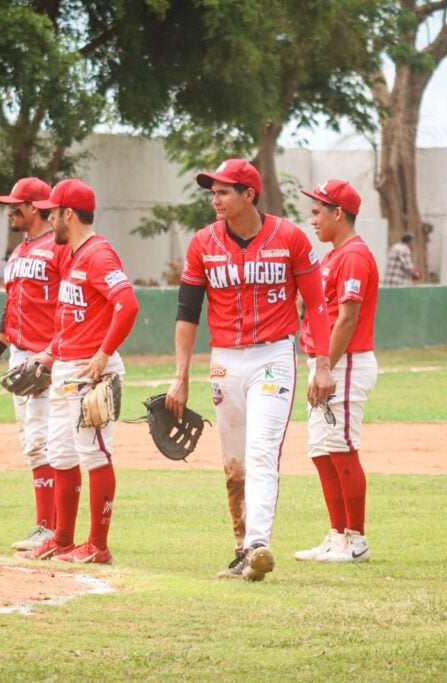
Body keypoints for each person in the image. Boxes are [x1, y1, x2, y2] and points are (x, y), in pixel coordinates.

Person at [165, 159, 335, 582]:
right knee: (233, 460)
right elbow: (187, 312)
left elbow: (316, 303)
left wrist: (323, 364)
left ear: (249, 195)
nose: (215, 199)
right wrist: (180, 376)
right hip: (224, 359)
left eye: (223, 191)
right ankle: (241, 549)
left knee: (261, 450)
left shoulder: (290, 238)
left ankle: (259, 543)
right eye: (213, 191)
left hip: (273, 356)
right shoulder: (202, 243)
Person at [16, 178, 139, 565]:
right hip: (66, 368)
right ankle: (63, 539)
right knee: (61, 454)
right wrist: (50, 354)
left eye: (52, 212)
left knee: (94, 454)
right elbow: (72, 316)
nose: (49, 219)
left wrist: (104, 355)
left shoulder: (99, 255)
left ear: (68, 214)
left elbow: (127, 304)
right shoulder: (70, 254)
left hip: (90, 370)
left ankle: (98, 546)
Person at [0, 176, 66, 552]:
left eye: (16, 204)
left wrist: (52, 357)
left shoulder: (58, 249)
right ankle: (46, 526)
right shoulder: (18, 253)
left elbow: (70, 305)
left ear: (34, 207)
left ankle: (52, 529)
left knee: (47, 441)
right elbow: (10, 307)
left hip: (46, 356)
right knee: (33, 444)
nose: (10, 210)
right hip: (18, 355)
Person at [293, 179, 380, 564]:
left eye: (317, 212)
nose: (312, 219)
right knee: (321, 451)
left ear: (338, 213)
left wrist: (326, 367)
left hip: (345, 362)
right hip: (327, 362)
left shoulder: (354, 256)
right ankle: (336, 535)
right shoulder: (332, 256)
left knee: (342, 449)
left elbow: (347, 318)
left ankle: (356, 539)